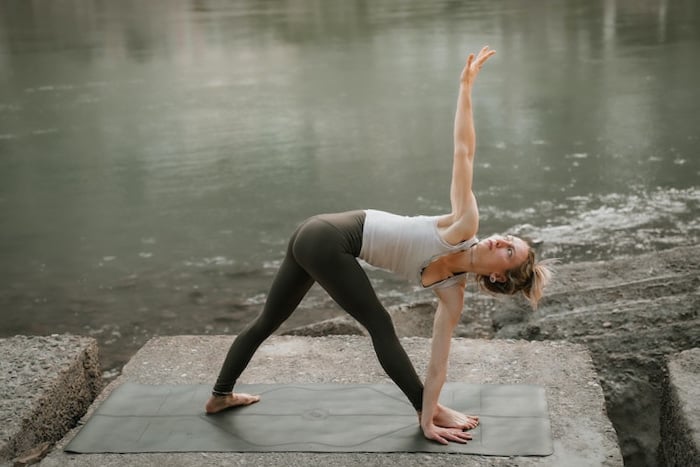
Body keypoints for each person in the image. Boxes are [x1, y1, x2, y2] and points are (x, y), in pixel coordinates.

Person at [205, 46, 552, 445]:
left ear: (497, 274)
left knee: (270, 320)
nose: (502, 240)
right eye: (509, 238)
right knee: (379, 324)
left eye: (509, 251)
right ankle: (429, 409)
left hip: (317, 237)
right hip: (327, 237)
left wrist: (429, 414)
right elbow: (464, 151)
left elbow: (438, 362)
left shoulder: (452, 295)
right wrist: (465, 87)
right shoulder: (464, 224)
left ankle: (220, 396)